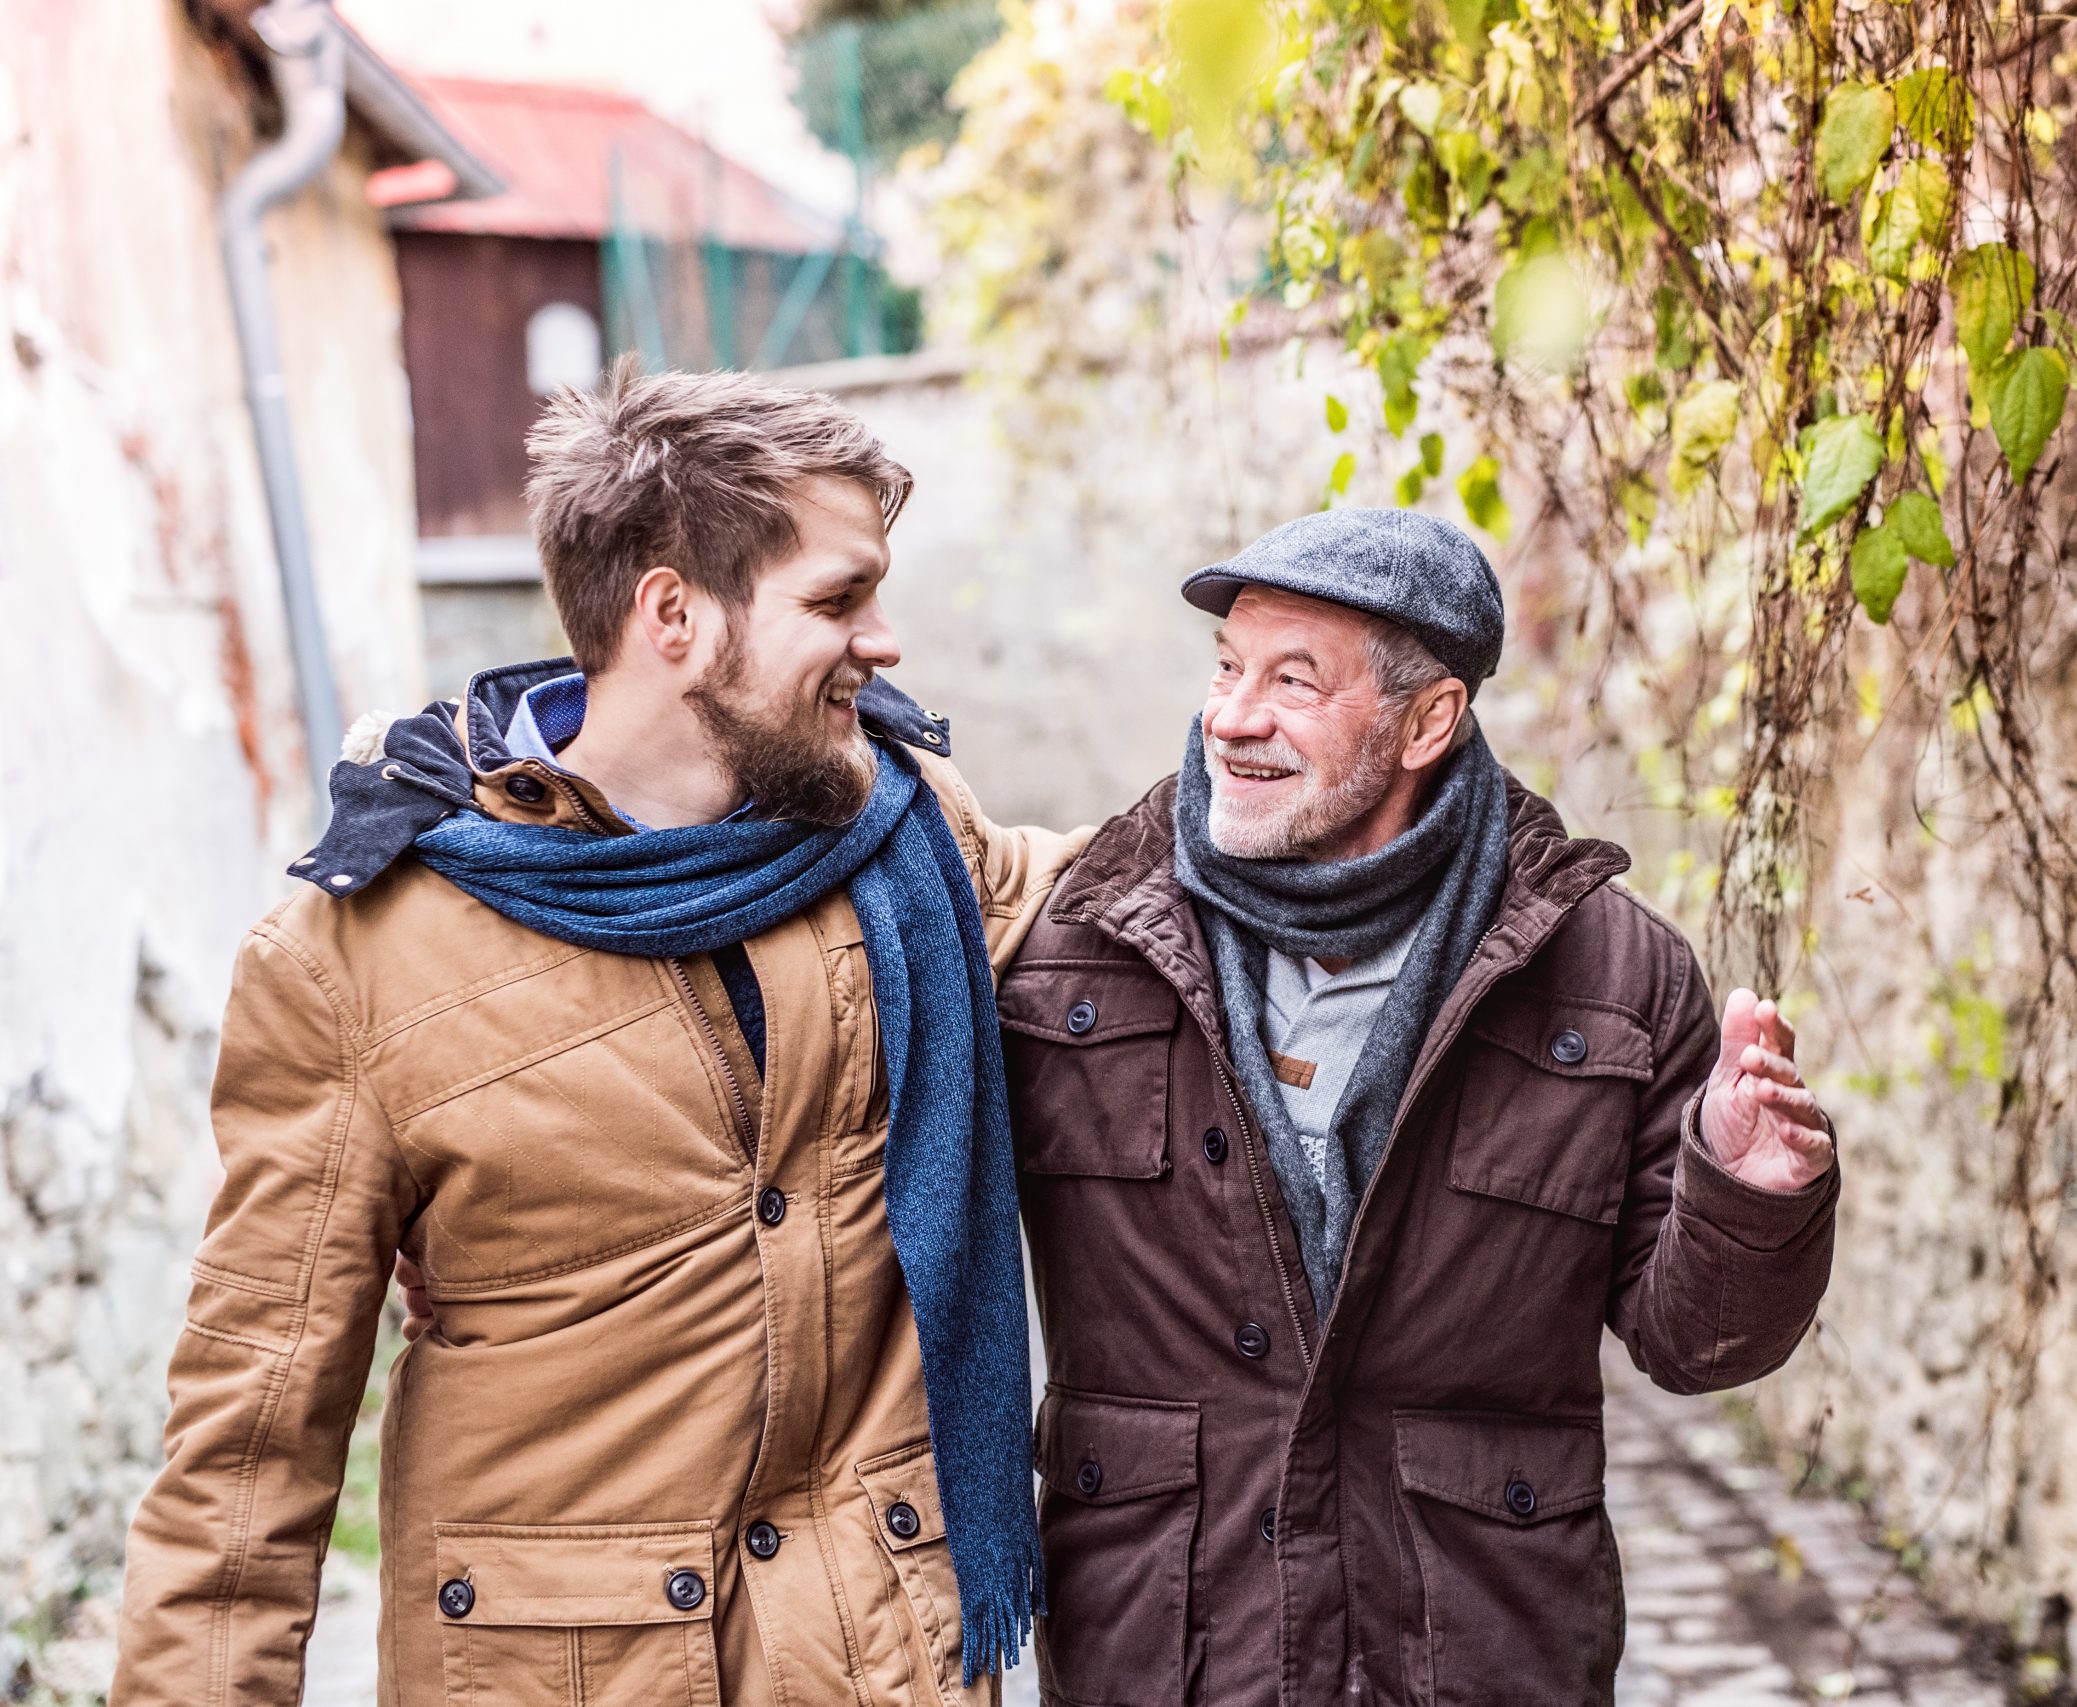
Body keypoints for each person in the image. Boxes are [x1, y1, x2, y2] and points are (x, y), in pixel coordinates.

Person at [112, 364, 1079, 1707]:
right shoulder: (361, 957)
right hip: (558, 1669)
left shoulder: (903, 838)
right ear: (674, 614)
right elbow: (248, 1445)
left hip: (878, 1659)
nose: (885, 639)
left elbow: (1123, 901)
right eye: (839, 599)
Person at [1001, 508, 1839, 1705]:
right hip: (1164, 1650)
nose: (1232, 717)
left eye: (1295, 681)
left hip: (1476, 1652)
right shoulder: (1081, 942)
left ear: (1427, 721)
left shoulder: (1611, 976)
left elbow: (1695, 1344)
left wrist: (1746, 1196)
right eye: (1228, 668)